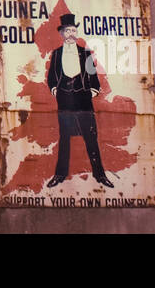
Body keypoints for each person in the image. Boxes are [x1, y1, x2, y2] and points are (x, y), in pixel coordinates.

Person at [45, 13, 114, 188]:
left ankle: (100, 175)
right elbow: (52, 75)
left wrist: (92, 90)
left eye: (74, 30)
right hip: (65, 99)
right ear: (62, 33)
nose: (71, 34)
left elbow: (93, 76)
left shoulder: (85, 53)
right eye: (67, 30)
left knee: (91, 138)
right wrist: (54, 88)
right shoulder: (57, 53)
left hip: (83, 99)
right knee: (65, 138)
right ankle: (59, 175)